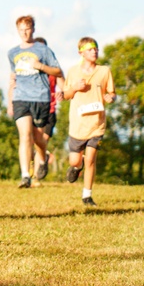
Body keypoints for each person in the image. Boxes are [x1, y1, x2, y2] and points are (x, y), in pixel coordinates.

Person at [7, 16, 62, 188]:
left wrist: (41, 67)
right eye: (21, 29)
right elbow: (13, 77)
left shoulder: (43, 50)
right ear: (17, 31)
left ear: (33, 29)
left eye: (27, 28)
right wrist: (10, 99)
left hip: (40, 97)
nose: (24, 32)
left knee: (39, 139)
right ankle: (25, 175)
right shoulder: (12, 53)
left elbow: (58, 71)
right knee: (25, 135)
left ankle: (43, 157)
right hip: (21, 98)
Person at [63, 37, 115, 206]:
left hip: (97, 124)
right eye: (90, 49)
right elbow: (66, 95)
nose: (94, 51)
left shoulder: (104, 71)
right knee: (75, 160)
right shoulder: (73, 72)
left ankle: (87, 195)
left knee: (91, 159)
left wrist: (110, 97)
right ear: (81, 53)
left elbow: (112, 93)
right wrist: (75, 88)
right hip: (78, 125)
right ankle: (77, 168)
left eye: (96, 48)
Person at [34, 37, 64, 177]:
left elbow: (63, 84)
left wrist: (62, 92)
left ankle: (37, 173)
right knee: (36, 141)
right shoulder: (29, 69)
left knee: (42, 141)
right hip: (34, 109)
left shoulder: (54, 68)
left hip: (50, 110)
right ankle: (35, 176)